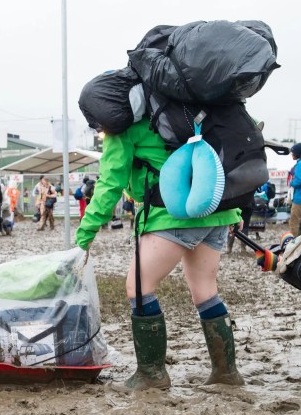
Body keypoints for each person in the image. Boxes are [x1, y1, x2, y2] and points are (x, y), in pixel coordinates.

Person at [75, 119, 243, 391]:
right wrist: (237, 211)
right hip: (217, 210)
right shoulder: (191, 113)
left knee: (138, 288)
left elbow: (110, 183)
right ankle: (226, 373)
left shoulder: (124, 126)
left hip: (172, 213)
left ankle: (151, 374)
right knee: (205, 291)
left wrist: (85, 233)